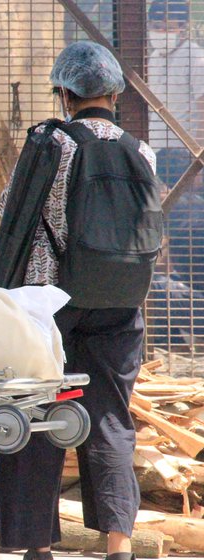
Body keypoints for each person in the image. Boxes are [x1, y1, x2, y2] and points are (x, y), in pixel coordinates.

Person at [0, 42, 158, 560]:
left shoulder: (53, 143)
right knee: (109, 417)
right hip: (121, 300)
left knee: (34, 408)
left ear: (64, 93)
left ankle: (36, 545)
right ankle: (119, 545)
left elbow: (11, 209)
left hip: (50, 299)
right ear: (113, 94)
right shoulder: (142, 150)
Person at [146, 0, 204, 343]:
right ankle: (167, 321)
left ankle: (190, 307)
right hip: (151, 152)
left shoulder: (195, 57)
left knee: (186, 231)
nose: (164, 29)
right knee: (156, 226)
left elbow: (202, 107)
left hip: (183, 154)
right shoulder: (149, 56)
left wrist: (198, 160)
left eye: (171, 23)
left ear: (183, 25)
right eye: (159, 21)